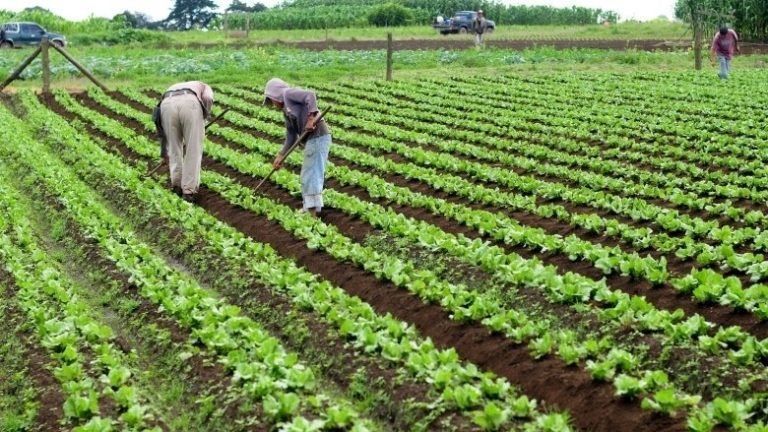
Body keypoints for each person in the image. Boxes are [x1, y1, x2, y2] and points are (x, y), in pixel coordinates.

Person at [264, 78, 332, 217]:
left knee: (310, 174)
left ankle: (312, 212)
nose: (272, 104)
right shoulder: (286, 112)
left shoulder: (288, 94)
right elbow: (291, 136)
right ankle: (313, 208)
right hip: (313, 139)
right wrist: (281, 155)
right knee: (310, 173)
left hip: (318, 136)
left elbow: (310, 95)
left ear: (276, 94)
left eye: (271, 99)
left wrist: (311, 118)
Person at [159, 81, 214, 202]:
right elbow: (208, 98)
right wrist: (204, 117)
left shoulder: (173, 86)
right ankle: (188, 191)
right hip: (190, 103)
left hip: (166, 104)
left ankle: (176, 185)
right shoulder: (204, 86)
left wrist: (163, 150)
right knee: (193, 148)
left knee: (174, 147)